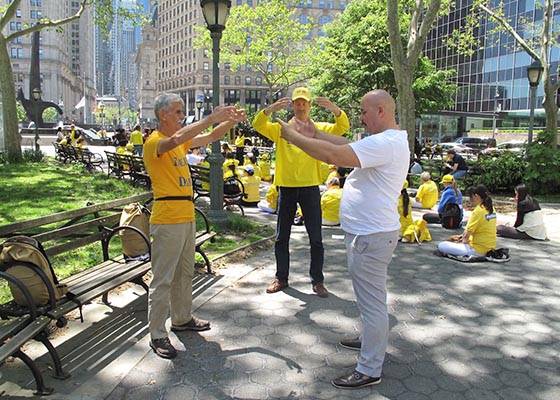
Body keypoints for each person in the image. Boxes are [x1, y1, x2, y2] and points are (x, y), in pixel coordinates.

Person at [276, 89, 409, 389]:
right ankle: (369, 340)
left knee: (373, 304)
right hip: (370, 234)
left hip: (371, 236)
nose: (360, 117)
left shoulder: (386, 142)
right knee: (371, 298)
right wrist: (316, 134)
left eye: (363, 112)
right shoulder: (386, 140)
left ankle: (369, 368)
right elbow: (347, 144)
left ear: (381, 111)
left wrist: (294, 137)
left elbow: (335, 155)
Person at [143, 92, 245, 359]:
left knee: (185, 273)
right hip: (167, 218)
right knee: (163, 279)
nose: (181, 116)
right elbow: (176, 138)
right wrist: (211, 117)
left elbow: (210, 138)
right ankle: (157, 334)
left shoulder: (179, 144)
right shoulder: (155, 142)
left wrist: (230, 121)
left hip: (186, 215)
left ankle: (181, 318)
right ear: (162, 114)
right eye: (177, 112)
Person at [252, 86, 350, 298]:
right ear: (293, 105)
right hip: (286, 187)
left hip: (310, 187)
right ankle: (281, 278)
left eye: (304, 102)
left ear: (309, 105)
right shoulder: (281, 128)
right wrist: (270, 109)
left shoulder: (318, 128)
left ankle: (318, 281)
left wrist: (334, 108)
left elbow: (343, 126)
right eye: (297, 102)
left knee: (316, 237)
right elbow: (257, 124)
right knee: (281, 237)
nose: (301, 105)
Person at [438, 184, 496, 257]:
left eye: (471, 197)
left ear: (476, 196)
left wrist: (458, 242)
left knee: (442, 245)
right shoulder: (491, 209)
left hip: (477, 250)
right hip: (490, 248)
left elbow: (465, 238)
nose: (470, 200)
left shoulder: (477, 211)